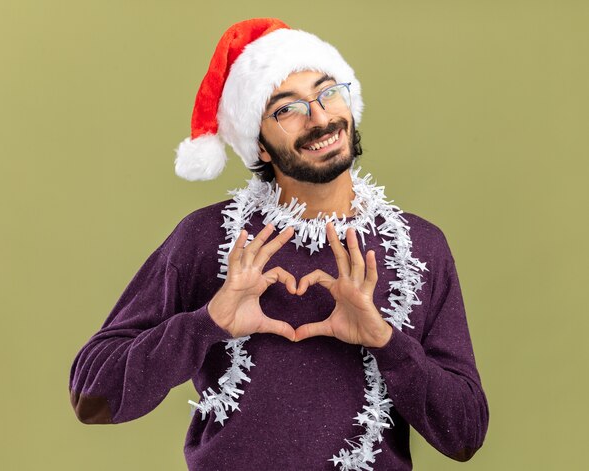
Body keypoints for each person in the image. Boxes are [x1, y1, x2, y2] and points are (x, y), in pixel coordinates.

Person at [69, 18, 489, 470]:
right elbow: (94, 396)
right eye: (287, 109)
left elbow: (464, 435)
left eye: (328, 92)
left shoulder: (420, 246)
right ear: (260, 146)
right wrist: (207, 322)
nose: (320, 117)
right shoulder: (208, 238)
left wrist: (385, 340)